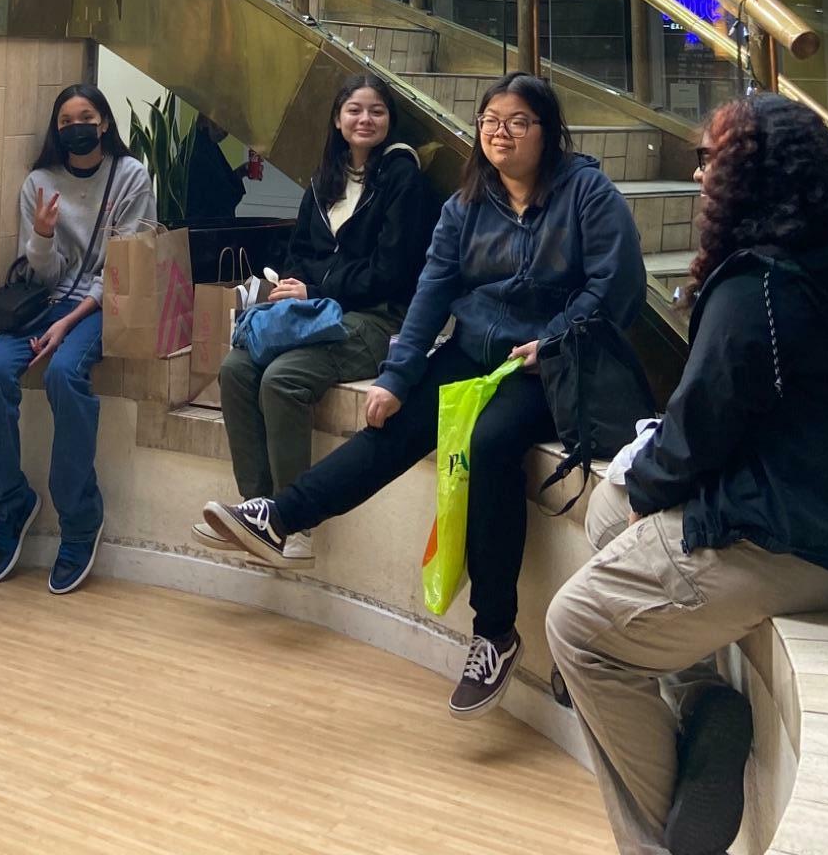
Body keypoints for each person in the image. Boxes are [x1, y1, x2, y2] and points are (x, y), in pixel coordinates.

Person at [546, 94, 828, 855]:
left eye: (712, 161)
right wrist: (645, 490)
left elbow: (699, 429)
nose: (700, 176)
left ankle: (663, 842)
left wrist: (654, 488)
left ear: (752, 178)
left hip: (797, 542)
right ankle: (704, 702)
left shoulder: (756, 287)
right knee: (608, 507)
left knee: (576, 628)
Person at [204, 72, 645, 715]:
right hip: (473, 352)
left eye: (518, 121)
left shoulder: (587, 193)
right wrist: (395, 375)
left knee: (491, 443)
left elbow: (614, 285)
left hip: (552, 365)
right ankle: (281, 517)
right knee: (394, 422)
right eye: (490, 121)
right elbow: (432, 292)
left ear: (548, 132)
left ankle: (494, 633)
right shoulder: (467, 204)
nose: (500, 133)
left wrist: (551, 340)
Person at [197, 76, 441, 561]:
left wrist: (318, 288)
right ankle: (256, 510)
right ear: (337, 119)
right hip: (315, 313)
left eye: (376, 111)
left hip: (376, 319)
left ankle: (294, 524)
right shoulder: (324, 178)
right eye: (355, 110)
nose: (365, 120)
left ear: (390, 121)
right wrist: (292, 286)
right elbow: (300, 253)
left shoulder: (402, 179)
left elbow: (391, 271)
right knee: (235, 369)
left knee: (283, 379)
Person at [0, 83, 156, 596]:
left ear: (104, 123)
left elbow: (123, 267)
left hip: (99, 305)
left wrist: (68, 322)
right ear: (57, 130)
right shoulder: (39, 182)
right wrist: (43, 236)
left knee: (63, 374)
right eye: (66, 121)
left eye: (87, 118)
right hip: (44, 302)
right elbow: (43, 273)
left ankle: (79, 518)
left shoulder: (130, 175)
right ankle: (9, 503)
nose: (77, 127)